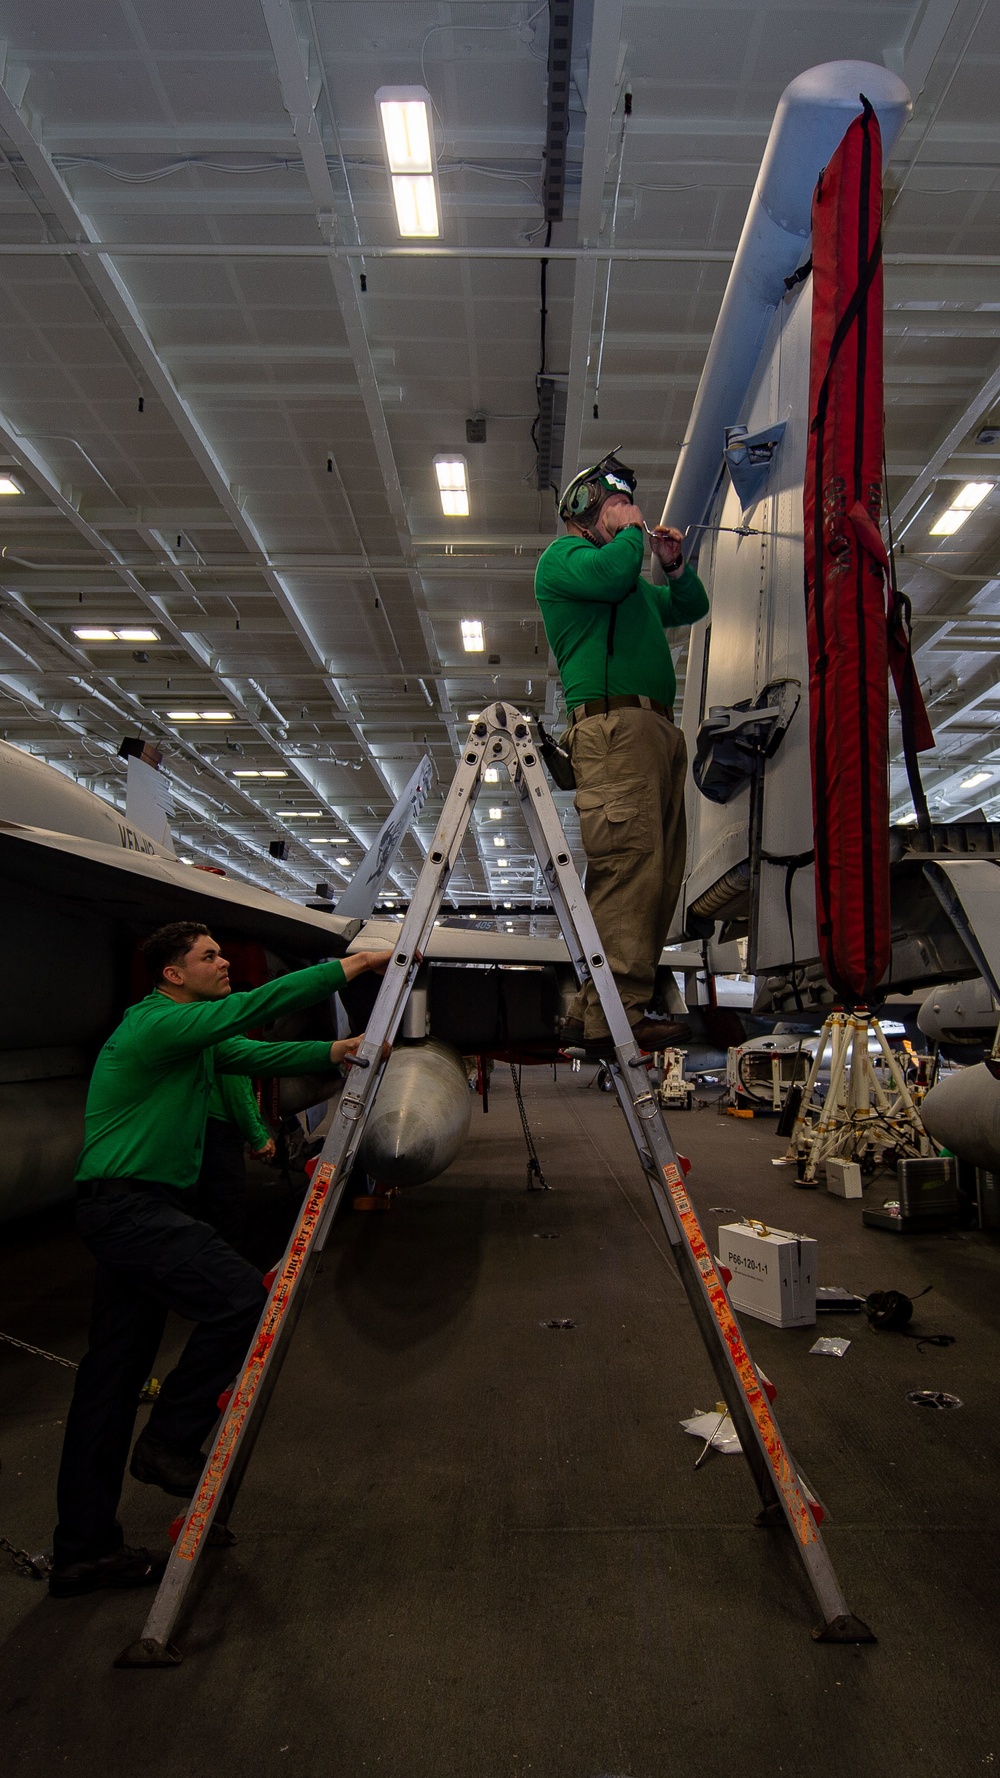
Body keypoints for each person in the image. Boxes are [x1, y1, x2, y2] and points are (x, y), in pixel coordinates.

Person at [49, 921, 393, 1599]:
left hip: (136, 1210)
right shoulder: (156, 1024)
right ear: (173, 974)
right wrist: (348, 967)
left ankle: (83, 1551)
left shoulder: (191, 1038)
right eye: (208, 957)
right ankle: (168, 1442)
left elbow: (251, 1053)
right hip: (131, 1209)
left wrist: (334, 1047)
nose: (222, 963)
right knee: (244, 1300)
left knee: (109, 1383)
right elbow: (247, 1013)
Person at [534, 451, 710, 1055]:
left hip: (653, 732)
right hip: (615, 731)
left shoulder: (630, 585)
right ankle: (618, 1013)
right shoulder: (565, 561)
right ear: (584, 511)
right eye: (615, 503)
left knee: (657, 875)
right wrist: (635, 532)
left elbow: (689, 608)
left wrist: (675, 566)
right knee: (630, 864)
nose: (630, 513)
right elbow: (611, 576)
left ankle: (597, 1009)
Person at [197, 1071, 276, 1258]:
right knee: (226, 1210)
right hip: (219, 1132)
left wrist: (261, 1130)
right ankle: (226, 1268)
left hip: (210, 1128)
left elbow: (245, 1090)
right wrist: (258, 1137)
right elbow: (238, 1095)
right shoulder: (227, 1042)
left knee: (213, 1205)